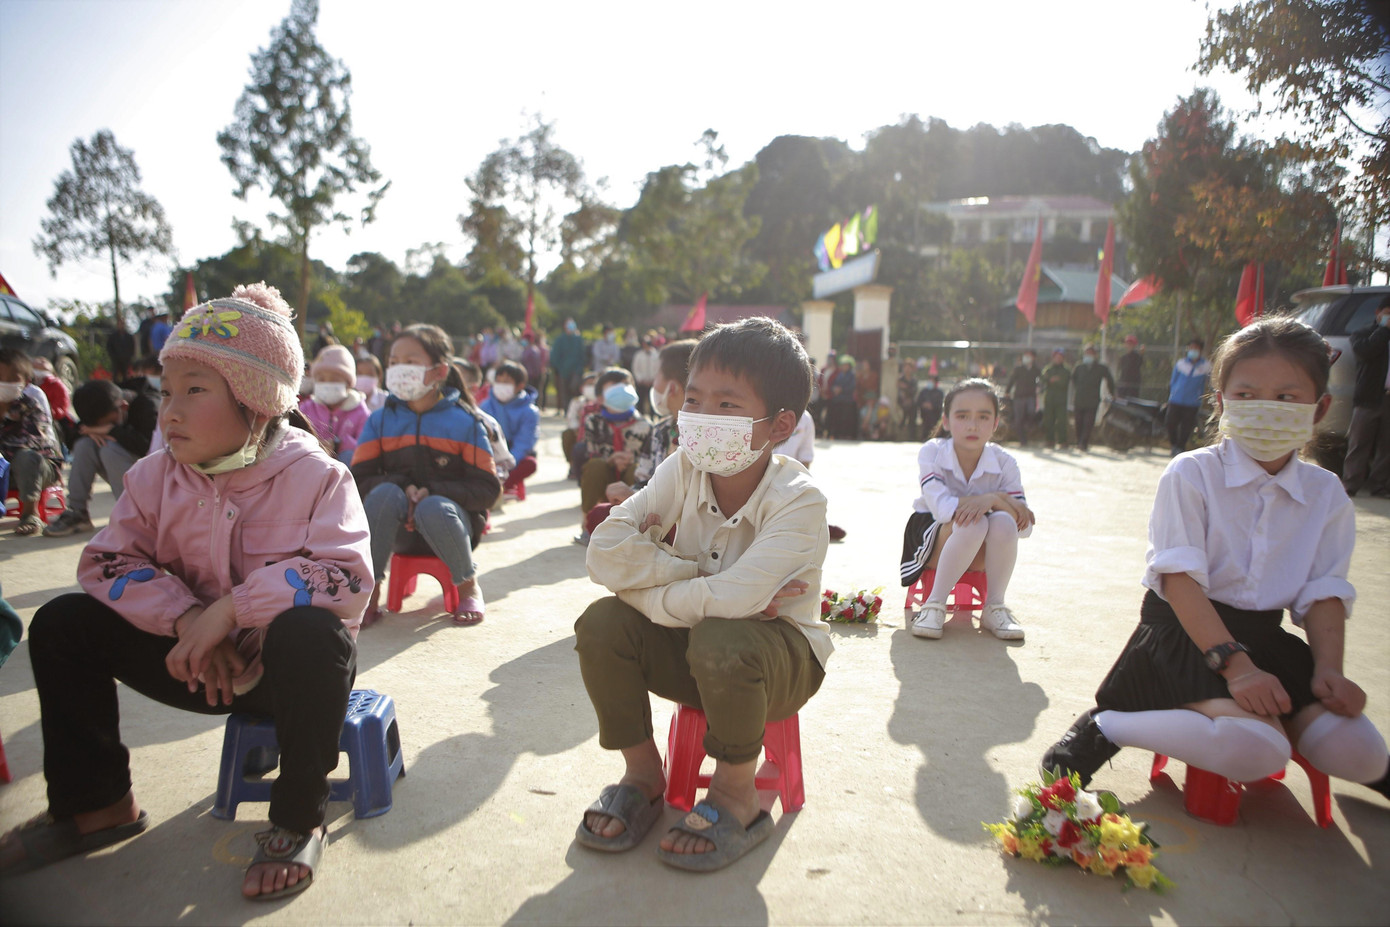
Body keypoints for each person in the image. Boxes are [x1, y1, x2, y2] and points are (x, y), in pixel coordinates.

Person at [0, 282, 372, 899]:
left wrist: (230, 610)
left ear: (257, 402)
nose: (168, 410)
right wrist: (186, 619)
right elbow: (106, 562)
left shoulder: (318, 477)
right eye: (165, 391)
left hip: (286, 681)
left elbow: (348, 576)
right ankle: (97, 804)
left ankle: (298, 817)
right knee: (64, 623)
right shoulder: (152, 479)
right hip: (192, 663)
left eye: (194, 390)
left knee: (313, 633)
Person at [1040, 317, 1390, 805]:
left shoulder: (1325, 493)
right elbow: (1179, 581)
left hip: (1266, 639)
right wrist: (1237, 668)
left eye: (1286, 397)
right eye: (1245, 395)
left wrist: (1329, 670)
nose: (1265, 408)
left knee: (1362, 753)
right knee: (1258, 750)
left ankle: (1272, 721)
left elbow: (1325, 589)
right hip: (1185, 636)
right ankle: (1110, 726)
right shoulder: (1192, 474)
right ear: (1222, 402)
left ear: (1319, 408)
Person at [574, 316, 829, 872]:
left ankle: (737, 793)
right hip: (690, 643)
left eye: (728, 406)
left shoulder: (799, 500)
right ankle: (642, 775)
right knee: (601, 624)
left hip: (777, 663)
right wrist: (690, 573)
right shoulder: (681, 467)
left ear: (780, 424)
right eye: (693, 400)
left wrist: (645, 582)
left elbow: (736, 605)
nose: (702, 418)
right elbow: (604, 552)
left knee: (722, 636)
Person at [352, 324, 501, 627]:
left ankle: (468, 585)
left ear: (438, 372)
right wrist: (404, 487)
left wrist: (432, 490)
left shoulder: (466, 423)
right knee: (382, 495)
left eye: (410, 361)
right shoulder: (380, 420)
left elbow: (487, 489)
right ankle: (370, 591)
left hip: (452, 528)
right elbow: (357, 480)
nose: (398, 370)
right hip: (396, 533)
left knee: (434, 506)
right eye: (394, 363)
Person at [900, 378, 1035, 642]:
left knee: (1003, 523)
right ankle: (934, 605)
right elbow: (942, 509)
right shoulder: (932, 451)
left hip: (980, 548)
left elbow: (1024, 526)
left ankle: (994, 606)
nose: (973, 425)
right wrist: (995, 498)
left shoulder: (1005, 462)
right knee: (973, 522)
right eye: (962, 416)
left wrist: (993, 501)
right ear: (947, 421)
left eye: (983, 417)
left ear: (995, 423)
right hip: (931, 540)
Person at [580, 340, 697, 538]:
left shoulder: (700, 435)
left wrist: (635, 498)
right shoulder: (661, 429)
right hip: (649, 510)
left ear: (673, 387)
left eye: (657, 374)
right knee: (599, 515)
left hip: (683, 524)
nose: (653, 382)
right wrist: (630, 495)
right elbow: (643, 481)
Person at [42, 379, 158, 537]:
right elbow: (76, 433)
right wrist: (90, 431)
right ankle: (77, 513)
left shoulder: (148, 405)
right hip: (129, 474)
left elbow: (149, 447)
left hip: (155, 480)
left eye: (108, 421)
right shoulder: (102, 400)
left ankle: (135, 516)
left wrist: (112, 430)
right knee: (85, 444)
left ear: (123, 406)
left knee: (109, 449)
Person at [573, 376, 651, 545]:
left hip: (631, 476)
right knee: (595, 466)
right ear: (601, 397)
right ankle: (588, 524)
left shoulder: (645, 425)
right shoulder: (593, 421)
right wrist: (611, 459)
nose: (619, 392)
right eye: (613, 389)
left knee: (637, 470)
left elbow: (649, 459)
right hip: (604, 473)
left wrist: (629, 460)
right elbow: (590, 452)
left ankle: (635, 525)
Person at [0, 348, 64, 535]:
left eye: (11, 378)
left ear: (25, 382)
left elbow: (36, 444)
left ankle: (30, 513)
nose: (3, 383)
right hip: (5, 473)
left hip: (40, 468)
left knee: (26, 457)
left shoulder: (31, 404)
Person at [1342, 295, 1390, 497]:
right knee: (1359, 445)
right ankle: (1350, 486)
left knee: (1386, 448)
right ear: (1377, 314)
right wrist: (1383, 329)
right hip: (1368, 398)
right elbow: (1366, 352)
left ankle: (1379, 486)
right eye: (1388, 314)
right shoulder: (1362, 334)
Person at [299, 345, 370, 465]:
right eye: (321, 379)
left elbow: (366, 446)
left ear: (348, 384)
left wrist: (339, 444)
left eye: (334, 379)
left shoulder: (361, 412)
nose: (327, 384)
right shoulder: (306, 408)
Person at [480, 360, 540, 499]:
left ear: (520, 386)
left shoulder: (529, 412)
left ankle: (498, 488)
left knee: (530, 463)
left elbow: (524, 443)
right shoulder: (485, 406)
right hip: (489, 452)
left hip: (512, 455)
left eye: (506, 381)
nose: (501, 385)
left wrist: (505, 464)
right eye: (498, 381)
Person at [1166, 338, 1211, 456]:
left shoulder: (1206, 366)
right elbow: (1173, 381)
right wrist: (1171, 394)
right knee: (1170, 423)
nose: (1193, 350)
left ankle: (1180, 448)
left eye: (1195, 348)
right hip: (1175, 400)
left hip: (1192, 402)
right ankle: (1174, 445)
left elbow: (1209, 382)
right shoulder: (1181, 363)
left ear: (1200, 350)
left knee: (1187, 427)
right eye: (1191, 348)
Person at [1070, 345, 1115, 452]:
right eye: (1086, 353)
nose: (1088, 356)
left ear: (1095, 355)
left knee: (1088, 423)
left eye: (1090, 353)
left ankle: (1083, 443)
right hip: (1079, 399)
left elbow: (1110, 381)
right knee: (1078, 422)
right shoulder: (1079, 367)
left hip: (1092, 400)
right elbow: (1074, 380)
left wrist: (1112, 393)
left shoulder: (1101, 368)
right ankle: (1078, 442)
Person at [1004, 351, 1040, 446]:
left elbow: (1041, 381)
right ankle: (1022, 439)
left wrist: (1040, 388)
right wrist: (1007, 391)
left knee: (1031, 411)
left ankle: (1029, 426)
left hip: (1031, 396)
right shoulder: (1018, 369)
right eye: (1025, 355)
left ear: (1033, 358)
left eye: (1029, 356)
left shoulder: (1036, 370)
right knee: (1018, 419)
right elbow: (1011, 380)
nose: (1027, 357)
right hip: (1019, 397)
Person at [551, 319, 587, 414]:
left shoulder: (578, 339)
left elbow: (583, 355)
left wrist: (580, 368)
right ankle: (567, 411)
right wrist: (560, 368)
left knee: (574, 388)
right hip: (563, 371)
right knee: (564, 391)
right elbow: (555, 356)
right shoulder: (560, 340)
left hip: (576, 371)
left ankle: (575, 411)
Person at [1039, 349, 1070, 449]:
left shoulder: (1066, 370)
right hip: (1049, 399)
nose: (1058, 359)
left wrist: (1052, 380)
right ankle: (1049, 440)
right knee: (1049, 421)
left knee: (1061, 421)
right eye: (1056, 357)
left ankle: (1062, 441)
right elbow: (1043, 379)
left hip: (1061, 400)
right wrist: (1051, 379)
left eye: (1060, 357)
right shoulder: (1048, 369)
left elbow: (1063, 382)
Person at [827, 355, 858, 440]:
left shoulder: (851, 375)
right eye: (843, 365)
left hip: (847, 400)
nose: (844, 367)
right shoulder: (839, 375)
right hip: (838, 400)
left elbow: (852, 387)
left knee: (846, 419)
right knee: (837, 418)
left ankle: (846, 434)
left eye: (846, 365)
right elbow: (833, 384)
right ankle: (837, 434)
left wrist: (842, 390)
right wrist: (835, 389)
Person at [631, 336, 661, 417]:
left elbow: (658, 368)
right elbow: (635, 368)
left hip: (652, 382)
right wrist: (640, 379)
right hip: (642, 383)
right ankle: (641, 415)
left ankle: (653, 416)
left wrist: (653, 380)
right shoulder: (638, 355)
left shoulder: (656, 355)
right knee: (641, 400)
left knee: (653, 400)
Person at [916, 375, 945, 443]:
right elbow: (919, 401)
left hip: (935, 414)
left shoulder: (939, 393)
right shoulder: (924, 392)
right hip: (924, 414)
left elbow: (940, 404)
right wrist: (924, 405)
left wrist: (932, 406)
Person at [897, 359, 919, 441]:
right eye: (905, 367)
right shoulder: (900, 379)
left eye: (909, 367)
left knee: (912, 413)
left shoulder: (914, 380)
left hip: (911, 403)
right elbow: (899, 392)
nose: (907, 369)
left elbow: (914, 391)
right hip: (901, 402)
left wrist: (906, 387)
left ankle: (912, 437)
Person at [1116, 334, 1144, 398]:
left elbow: (1139, 364)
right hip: (1124, 384)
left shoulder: (1137, 356)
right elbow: (1122, 372)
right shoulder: (1123, 357)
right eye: (1127, 343)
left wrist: (1142, 354)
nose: (1129, 345)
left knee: (1132, 402)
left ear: (1134, 345)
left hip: (1133, 385)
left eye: (1131, 343)